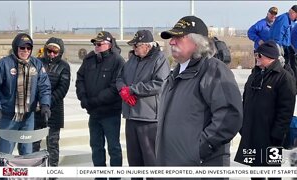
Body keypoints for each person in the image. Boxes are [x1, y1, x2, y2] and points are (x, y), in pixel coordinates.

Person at [155, 16, 243, 174]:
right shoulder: (174, 74)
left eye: (179, 37)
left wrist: (199, 149)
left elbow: (229, 116)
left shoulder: (213, 70)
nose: (172, 42)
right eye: (172, 38)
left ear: (198, 42)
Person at [234, 40, 296, 180]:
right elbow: (246, 102)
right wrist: (243, 127)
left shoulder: (284, 78)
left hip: (272, 137)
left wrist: (277, 134)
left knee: (272, 173)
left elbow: (286, 110)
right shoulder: (254, 75)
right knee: (256, 172)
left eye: (259, 55)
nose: (256, 58)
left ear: (270, 57)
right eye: (256, 55)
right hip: (253, 134)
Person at [0, 33, 51, 157]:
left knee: (27, 154)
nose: (25, 51)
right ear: (16, 48)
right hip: (8, 117)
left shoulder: (37, 65)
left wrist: (45, 104)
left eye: (28, 48)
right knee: (5, 155)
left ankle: (25, 176)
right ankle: (4, 176)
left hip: (28, 118)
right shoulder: (4, 64)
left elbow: (44, 87)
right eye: (22, 48)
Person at [116, 30, 170, 175]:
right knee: (134, 161)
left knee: (150, 160)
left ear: (147, 45)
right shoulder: (133, 59)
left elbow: (159, 84)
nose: (134, 49)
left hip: (149, 118)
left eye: (136, 45)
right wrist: (123, 90)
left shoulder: (159, 59)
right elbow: (120, 78)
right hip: (131, 116)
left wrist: (133, 90)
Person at [76, 31, 124, 178]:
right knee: (96, 147)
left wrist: (94, 101)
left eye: (99, 44)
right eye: (95, 44)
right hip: (94, 113)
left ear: (109, 45)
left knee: (113, 148)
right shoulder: (89, 59)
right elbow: (80, 79)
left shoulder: (118, 61)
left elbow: (115, 87)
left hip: (110, 113)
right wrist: (83, 98)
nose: (96, 46)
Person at [33, 37, 71, 169]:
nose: (51, 54)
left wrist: (46, 103)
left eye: (55, 52)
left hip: (54, 110)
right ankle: (35, 170)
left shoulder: (64, 66)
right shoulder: (37, 63)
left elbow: (62, 89)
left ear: (60, 53)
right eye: (49, 51)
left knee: (53, 143)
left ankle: (52, 171)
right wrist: (38, 103)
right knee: (34, 142)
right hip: (36, 109)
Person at [269, 5, 297, 77]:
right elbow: (277, 36)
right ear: (292, 12)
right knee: (283, 70)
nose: (295, 19)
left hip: (285, 48)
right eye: (296, 17)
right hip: (280, 49)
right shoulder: (283, 19)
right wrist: (279, 53)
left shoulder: (288, 20)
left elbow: (287, 37)